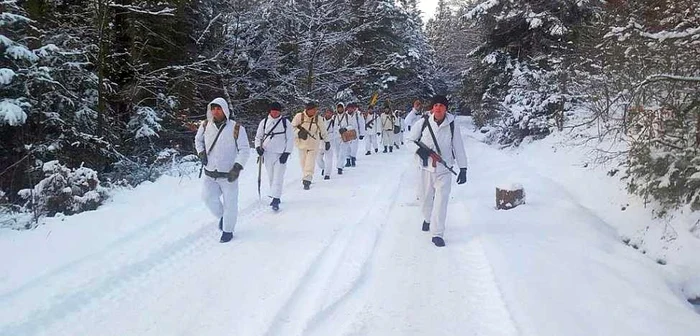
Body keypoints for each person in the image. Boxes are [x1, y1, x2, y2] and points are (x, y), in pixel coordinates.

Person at [407, 95, 468, 247]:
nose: (438, 108)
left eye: (441, 105)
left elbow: (458, 147)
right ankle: (427, 219)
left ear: (446, 108)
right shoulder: (423, 122)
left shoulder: (453, 125)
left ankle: (437, 233)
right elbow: (409, 140)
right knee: (425, 199)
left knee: (441, 201)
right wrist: (419, 151)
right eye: (436, 105)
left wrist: (463, 168)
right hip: (425, 168)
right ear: (432, 108)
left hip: (444, 169)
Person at [195, 97, 250, 243]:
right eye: (213, 108)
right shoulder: (205, 125)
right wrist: (201, 153)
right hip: (210, 173)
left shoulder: (237, 128)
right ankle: (223, 217)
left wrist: (237, 167)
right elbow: (198, 140)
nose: (215, 111)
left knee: (230, 203)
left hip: (229, 174)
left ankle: (228, 230)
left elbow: (244, 150)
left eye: (218, 108)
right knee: (207, 198)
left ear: (225, 110)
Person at [254, 102, 293, 211]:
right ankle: (275, 194)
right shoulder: (264, 122)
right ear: (270, 111)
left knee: (278, 177)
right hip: (267, 154)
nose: (275, 112)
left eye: (277, 110)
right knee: (271, 176)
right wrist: (258, 148)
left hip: (281, 154)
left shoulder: (286, 123)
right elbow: (258, 137)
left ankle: (275, 198)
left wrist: (287, 153)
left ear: (280, 111)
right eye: (273, 110)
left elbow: (290, 139)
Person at [291, 102, 330, 190]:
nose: (315, 111)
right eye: (313, 109)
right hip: (301, 144)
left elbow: (323, 130)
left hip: (313, 144)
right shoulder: (299, 117)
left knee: (310, 162)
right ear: (308, 109)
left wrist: (327, 141)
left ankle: (307, 180)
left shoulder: (318, 119)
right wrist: (299, 133)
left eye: (316, 110)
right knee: (303, 163)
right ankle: (306, 176)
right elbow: (292, 128)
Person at [317, 108, 338, 180]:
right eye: (327, 112)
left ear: (332, 114)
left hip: (329, 143)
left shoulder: (334, 122)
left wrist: (326, 137)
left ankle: (327, 174)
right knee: (318, 159)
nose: (328, 114)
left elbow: (335, 133)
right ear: (325, 113)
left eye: (330, 113)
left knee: (328, 159)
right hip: (320, 143)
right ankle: (323, 168)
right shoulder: (320, 120)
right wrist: (319, 135)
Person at [345, 102, 365, 166]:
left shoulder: (358, 114)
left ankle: (353, 159)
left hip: (355, 132)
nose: (350, 109)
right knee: (347, 147)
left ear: (353, 108)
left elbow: (361, 123)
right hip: (347, 132)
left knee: (354, 147)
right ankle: (348, 160)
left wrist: (362, 133)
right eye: (349, 108)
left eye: (351, 108)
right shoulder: (344, 115)